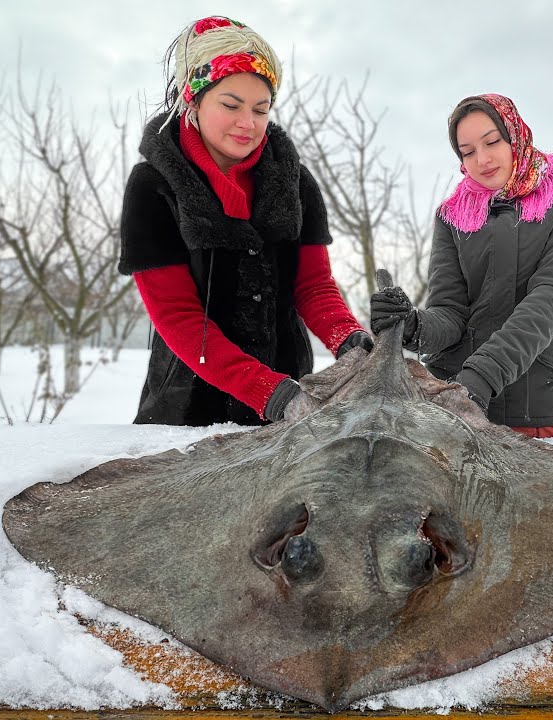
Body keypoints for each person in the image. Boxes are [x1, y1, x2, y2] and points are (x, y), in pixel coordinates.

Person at [118, 16, 371, 427]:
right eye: (231, 105)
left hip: (292, 398)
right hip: (188, 406)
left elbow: (313, 285)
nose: (247, 123)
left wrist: (349, 339)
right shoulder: (152, 187)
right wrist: (263, 389)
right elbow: (178, 317)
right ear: (194, 100)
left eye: (261, 109)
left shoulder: (295, 182)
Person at [371, 93, 553, 437]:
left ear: (514, 135)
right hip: (451, 411)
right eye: (468, 152)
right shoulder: (452, 217)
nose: (483, 159)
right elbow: (450, 312)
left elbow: (552, 299)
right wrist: (413, 325)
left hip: (533, 413)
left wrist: (480, 377)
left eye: (492, 141)